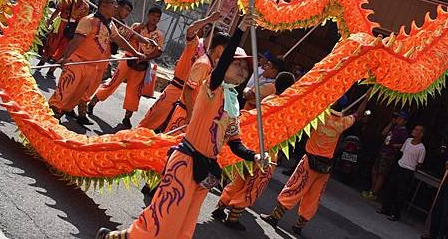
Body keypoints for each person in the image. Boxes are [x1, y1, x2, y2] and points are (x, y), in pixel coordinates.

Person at [96, 13, 267, 239]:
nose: (242, 70)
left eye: (245, 69)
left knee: (184, 226)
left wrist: (254, 156)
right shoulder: (212, 88)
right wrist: (240, 31)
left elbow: (235, 144)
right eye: (237, 64)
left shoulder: (233, 105)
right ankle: (121, 237)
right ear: (223, 65)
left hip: (205, 171)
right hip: (185, 163)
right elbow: (218, 68)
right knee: (164, 215)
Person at [260, 95, 362, 234]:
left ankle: (275, 217)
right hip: (325, 168)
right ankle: (299, 226)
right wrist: (366, 99)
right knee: (313, 197)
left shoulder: (319, 115)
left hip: (310, 162)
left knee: (294, 187)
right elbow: (357, 115)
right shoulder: (343, 123)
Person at [212, 71, 296, 231]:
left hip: (251, 147)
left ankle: (220, 207)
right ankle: (233, 218)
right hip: (267, 154)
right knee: (253, 186)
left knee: (239, 180)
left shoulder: (268, 100)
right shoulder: (285, 108)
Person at [48, 0, 144, 125]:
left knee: (74, 97)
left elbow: (119, 40)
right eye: (113, 4)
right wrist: (65, 58)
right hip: (78, 62)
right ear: (103, 6)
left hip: (92, 66)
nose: (116, 7)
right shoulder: (89, 20)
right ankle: (48, 120)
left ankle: (58, 118)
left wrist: (136, 52)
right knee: (64, 93)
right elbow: (76, 41)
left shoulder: (110, 25)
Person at [136, 11, 222, 131]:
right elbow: (191, 30)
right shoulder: (195, 44)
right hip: (176, 87)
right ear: (207, 36)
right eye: (213, 38)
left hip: (190, 99)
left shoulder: (213, 60)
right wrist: (209, 19)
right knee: (153, 118)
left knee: (174, 128)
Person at [87, 6, 164, 128]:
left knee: (134, 92)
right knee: (113, 83)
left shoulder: (159, 35)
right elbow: (127, 37)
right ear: (148, 15)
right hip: (128, 59)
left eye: (157, 17)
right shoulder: (136, 26)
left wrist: (146, 57)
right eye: (153, 15)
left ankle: (127, 118)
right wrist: (140, 28)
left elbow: (159, 51)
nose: (155, 18)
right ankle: (92, 103)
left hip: (142, 64)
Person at [159, 29, 230, 134]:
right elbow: (188, 89)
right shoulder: (204, 64)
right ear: (219, 49)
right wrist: (190, 113)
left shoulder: (210, 64)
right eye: (227, 50)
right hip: (185, 113)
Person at [378, 125, 426, 221]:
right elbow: (402, 151)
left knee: (401, 193)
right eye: (414, 129)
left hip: (408, 170)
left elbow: (420, 163)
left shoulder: (421, 149)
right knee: (390, 188)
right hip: (400, 166)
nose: (414, 131)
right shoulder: (408, 141)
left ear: (421, 134)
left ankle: (395, 214)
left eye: (417, 130)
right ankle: (385, 208)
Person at [362, 110, 410, 200]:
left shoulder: (403, 132)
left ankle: (374, 193)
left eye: (401, 118)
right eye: (398, 118)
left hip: (389, 154)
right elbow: (384, 133)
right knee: (375, 170)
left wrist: (397, 145)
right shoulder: (394, 127)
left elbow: (406, 144)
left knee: (381, 174)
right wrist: (391, 123)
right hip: (383, 150)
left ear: (405, 121)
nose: (398, 119)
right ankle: (372, 190)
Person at [37, 0, 90, 79]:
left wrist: (49, 22)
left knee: (57, 47)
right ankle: (48, 67)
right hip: (66, 27)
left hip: (66, 28)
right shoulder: (74, 2)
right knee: (56, 47)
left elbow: (57, 11)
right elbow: (58, 11)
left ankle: (46, 66)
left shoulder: (78, 3)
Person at [103, 0, 134, 80]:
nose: (127, 13)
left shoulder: (123, 26)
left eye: (129, 12)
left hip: (106, 54)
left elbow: (127, 38)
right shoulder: (106, 17)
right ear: (118, 7)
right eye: (126, 9)